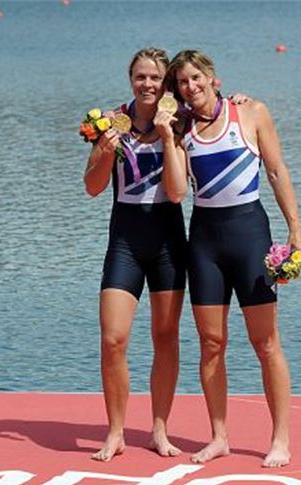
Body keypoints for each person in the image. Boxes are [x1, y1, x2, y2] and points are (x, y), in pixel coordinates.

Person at [165, 49, 301, 468]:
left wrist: (296, 230)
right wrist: (166, 128)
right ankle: (219, 436)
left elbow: (277, 171)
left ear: (214, 78)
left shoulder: (251, 113)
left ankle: (280, 438)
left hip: (250, 236)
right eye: (182, 83)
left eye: (196, 79)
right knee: (211, 344)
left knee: (265, 343)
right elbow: (175, 189)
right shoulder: (179, 129)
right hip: (205, 242)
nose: (190, 88)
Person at [83, 48, 189, 462]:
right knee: (113, 340)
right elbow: (92, 187)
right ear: (131, 80)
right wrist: (106, 150)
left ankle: (159, 430)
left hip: (167, 241)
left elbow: (179, 192)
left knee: (165, 339)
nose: (147, 84)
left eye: (155, 78)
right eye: (140, 77)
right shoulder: (112, 122)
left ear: (165, 83)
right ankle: (115, 432)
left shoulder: (178, 121)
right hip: (125, 241)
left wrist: (167, 136)